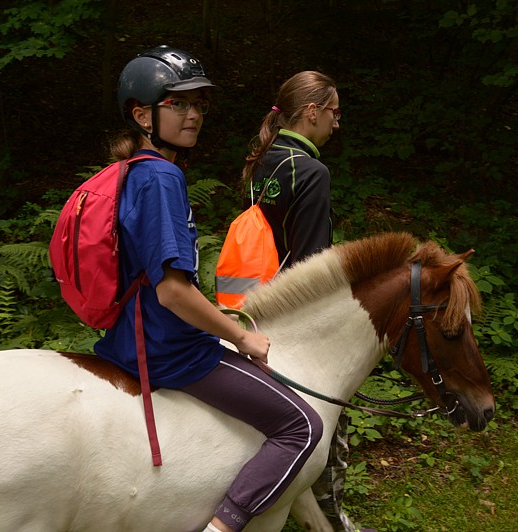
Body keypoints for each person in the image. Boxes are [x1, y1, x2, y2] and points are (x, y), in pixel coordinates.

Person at [93, 45, 324, 532]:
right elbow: (173, 292)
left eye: (198, 103)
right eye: (178, 103)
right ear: (142, 114)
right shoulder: (161, 178)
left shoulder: (133, 170)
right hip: (171, 350)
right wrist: (241, 337)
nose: (193, 114)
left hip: (129, 338)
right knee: (303, 427)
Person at [242, 71, 358, 532]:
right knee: (328, 423)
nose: (337, 123)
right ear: (312, 112)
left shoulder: (264, 158)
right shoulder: (311, 170)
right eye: (334, 112)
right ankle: (332, 518)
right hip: (298, 316)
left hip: (256, 305)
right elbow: (310, 264)